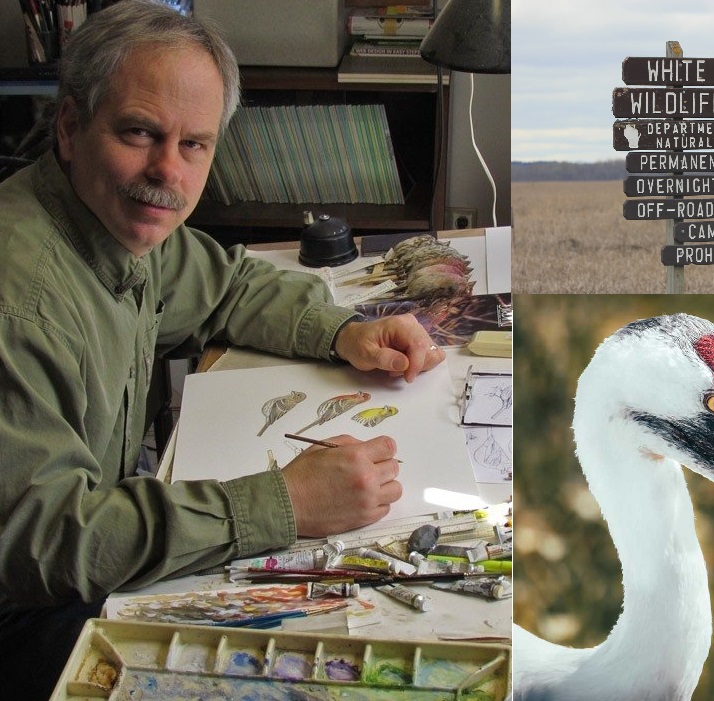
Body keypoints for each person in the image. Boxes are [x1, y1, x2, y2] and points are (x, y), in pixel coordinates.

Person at [0, 4, 445, 695]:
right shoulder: (20, 302)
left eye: (194, 144)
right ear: (69, 128)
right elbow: (48, 542)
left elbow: (226, 285)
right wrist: (281, 503)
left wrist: (340, 330)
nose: (167, 172)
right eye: (139, 132)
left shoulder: (115, 221)